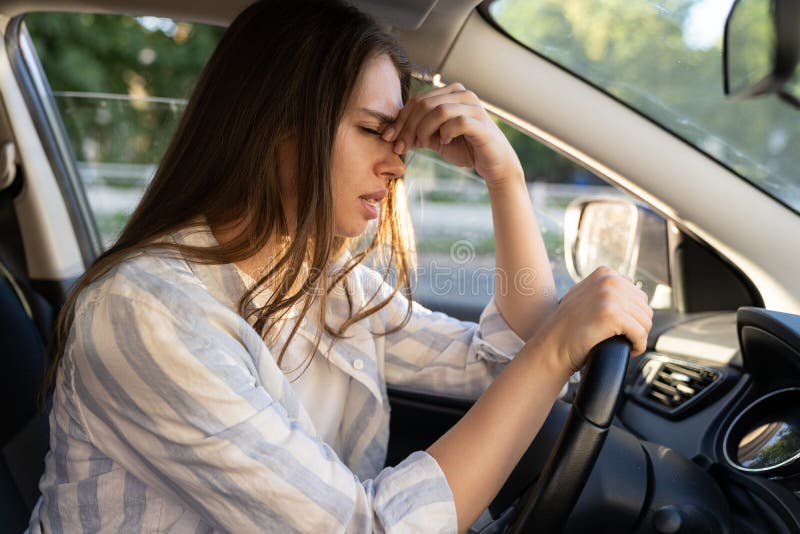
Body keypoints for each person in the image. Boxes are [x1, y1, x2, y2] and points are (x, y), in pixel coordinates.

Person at [29, 0, 653, 532]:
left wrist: (505, 178)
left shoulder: (318, 278)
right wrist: (552, 351)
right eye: (372, 129)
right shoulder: (145, 313)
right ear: (278, 126)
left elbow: (502, 363)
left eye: (398, 138)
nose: (398, 164)